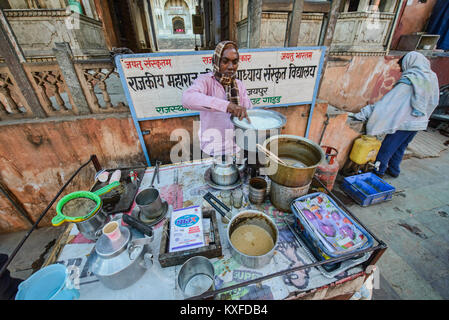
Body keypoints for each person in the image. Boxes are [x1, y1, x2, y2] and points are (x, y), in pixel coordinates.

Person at [352, 51, 439, 178]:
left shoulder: (411, 80)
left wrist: (365, 113)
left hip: (405, 123)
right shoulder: (431, 78)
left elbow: (387, 103)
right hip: (420, 122)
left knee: (386, 148)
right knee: (401, 147)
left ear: (409, 63)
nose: (401, 70)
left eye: (402, 67)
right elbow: (433, 101)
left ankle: (378, 173)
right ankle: (394, 170)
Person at [182, 40, 252, 157]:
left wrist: (257, 115)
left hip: (236, 147)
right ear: (216, 61)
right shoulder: (205, 81)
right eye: (225, 61)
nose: (231, 67)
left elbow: (247, 110)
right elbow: (187, 99)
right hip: (212, 148)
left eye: (234, 62)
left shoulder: (239, 85)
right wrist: (227, 106)